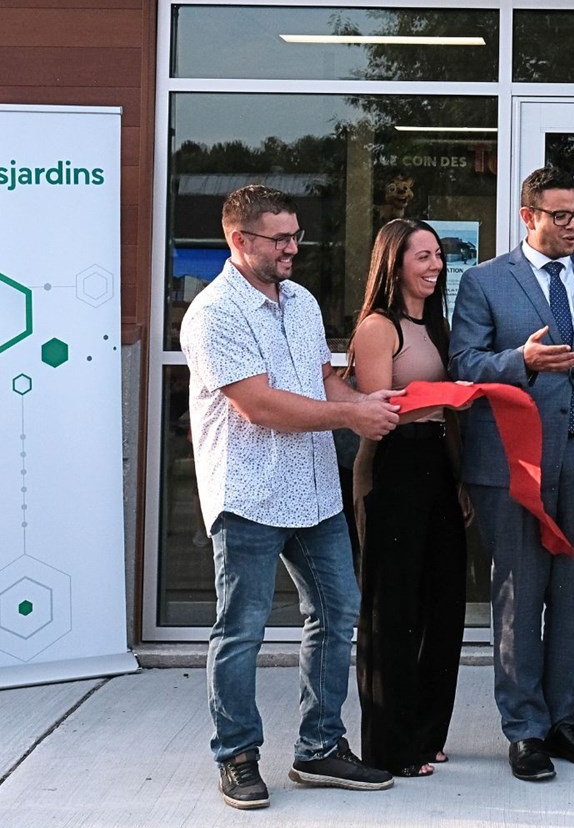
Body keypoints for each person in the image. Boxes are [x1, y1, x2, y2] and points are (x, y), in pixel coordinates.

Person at [180, 185, 400, 810]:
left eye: (295, 235)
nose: (292, 248)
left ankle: (320, 748)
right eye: (279, 238)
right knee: (242, 629)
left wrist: (361, 401)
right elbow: (260, 405)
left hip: (312, 490)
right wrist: (349, 420)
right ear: (238, 240)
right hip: (246, 492)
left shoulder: (299, 300)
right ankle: (238, 755)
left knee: (338, 614)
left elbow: (321, 375)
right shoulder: (213, 312)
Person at [448, 165, 574, 782]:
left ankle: (564, 721)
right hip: (514, 459)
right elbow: (465, 365)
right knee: (518, 597)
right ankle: (525, 730)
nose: (573, 225)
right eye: (561, 215)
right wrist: (522, 360)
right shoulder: (484, 281)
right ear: (528, 216)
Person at [348, 218, 470, 778]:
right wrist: (444, 396)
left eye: (438, 256)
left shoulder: (437, 326)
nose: (434, 266)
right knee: (390, 611)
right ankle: (390, 745)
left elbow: (443, 414)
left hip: (439, 467)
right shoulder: (379, 327)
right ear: (394, 263)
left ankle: (426, 734)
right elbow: (379, 411)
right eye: (422, 256)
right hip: (394, 468)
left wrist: (460, 474)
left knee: (442, 607)